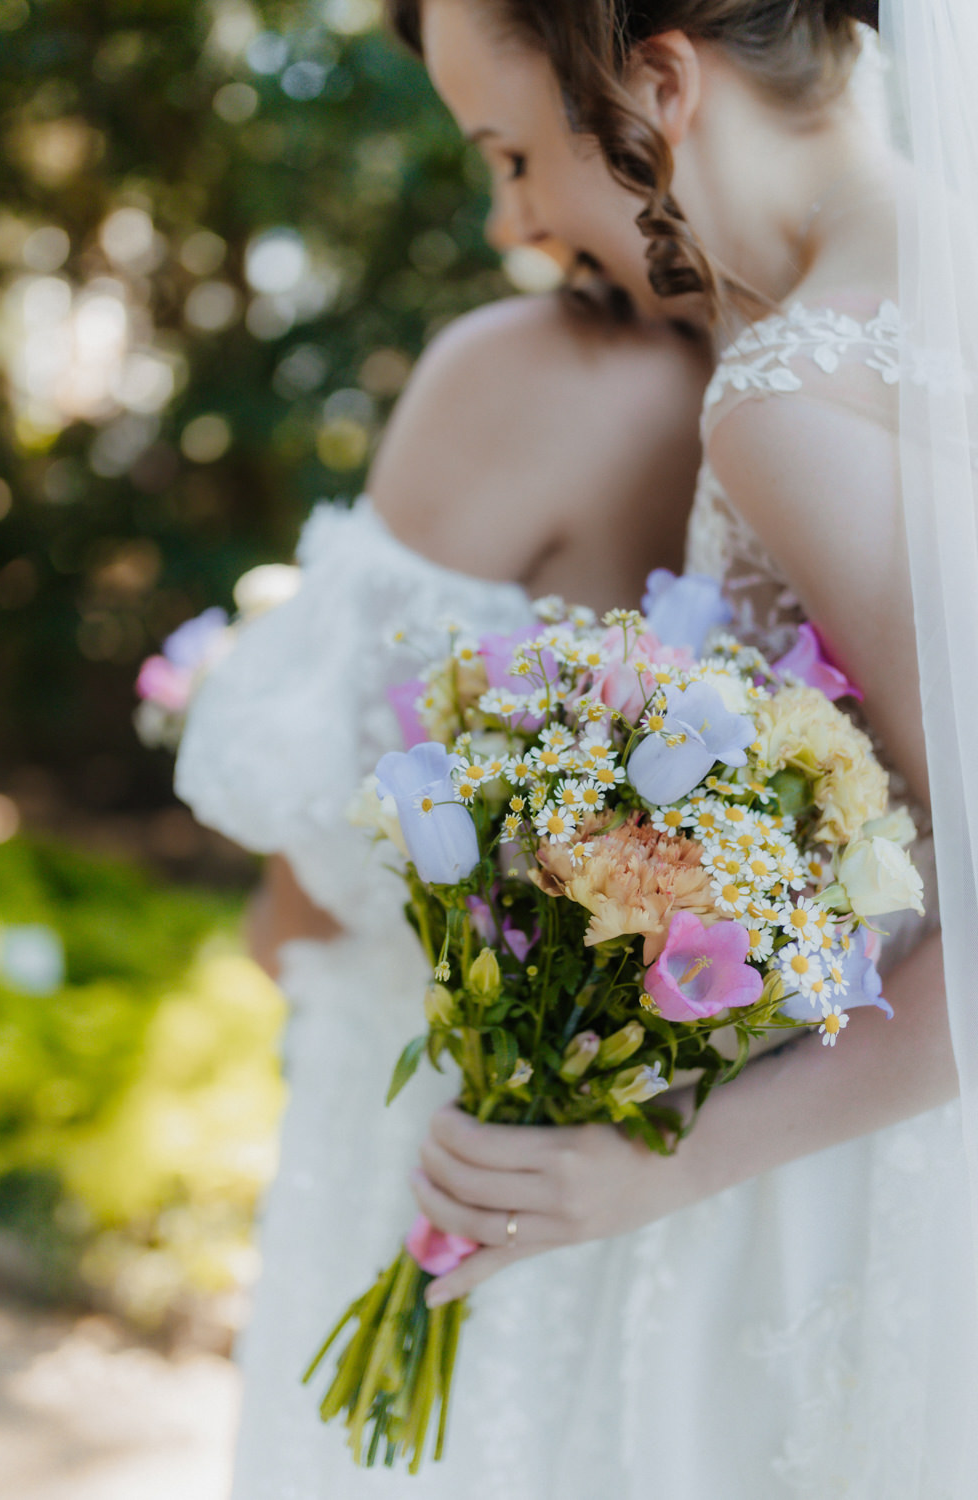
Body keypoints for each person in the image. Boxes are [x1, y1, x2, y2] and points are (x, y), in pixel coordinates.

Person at [174, 1, 978, 1495]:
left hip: (795, 1175)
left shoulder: (786, 401)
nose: (517, 218)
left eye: (515, 153)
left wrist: (665, 1158)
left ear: (661, 80)